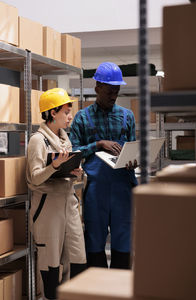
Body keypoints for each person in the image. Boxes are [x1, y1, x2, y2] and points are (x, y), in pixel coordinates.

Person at [70, 62, 138, 270]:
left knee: (124, 239)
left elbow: (134, 146)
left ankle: (120, 289)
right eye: (110, 91)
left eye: (117, 92)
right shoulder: (82, 117)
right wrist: (98, 144)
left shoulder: (127, 116)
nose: (113, 96)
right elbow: (73, 152)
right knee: (95, 240)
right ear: (98, 86)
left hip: (123, 187)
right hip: (95, 189)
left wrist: (135, 159)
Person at [26, 88, 86, 300]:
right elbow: (34, 178)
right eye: (66, 112)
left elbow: (64, 172)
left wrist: (75, 172)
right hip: (48, 207)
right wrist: (54, 166)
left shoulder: (65, 139)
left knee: (77, 257)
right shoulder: (37, 141)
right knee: (51, 265)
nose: (70, 117)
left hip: (68, 203)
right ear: (53, 112)